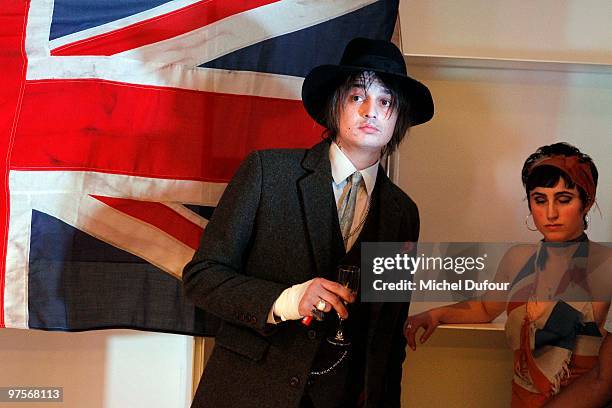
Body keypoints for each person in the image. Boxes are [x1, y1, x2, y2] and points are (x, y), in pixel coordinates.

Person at [183, 37, 434, 408]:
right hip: (247, 392)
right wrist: (288, 300)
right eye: (357, 97)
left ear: (398, 118)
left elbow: (387, 334)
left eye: (386, 101)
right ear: (335, 106)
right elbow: (201, 278)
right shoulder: (268, 172)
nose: (371, 111)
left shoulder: (403, 213)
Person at [405, 143, 611, 407]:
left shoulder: (605, 266)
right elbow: (483, 308)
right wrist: (434, 314)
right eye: (539, 200)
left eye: (563, 199)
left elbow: (605, 380)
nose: (550, 213)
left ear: (587, 202)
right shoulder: (518, 259)